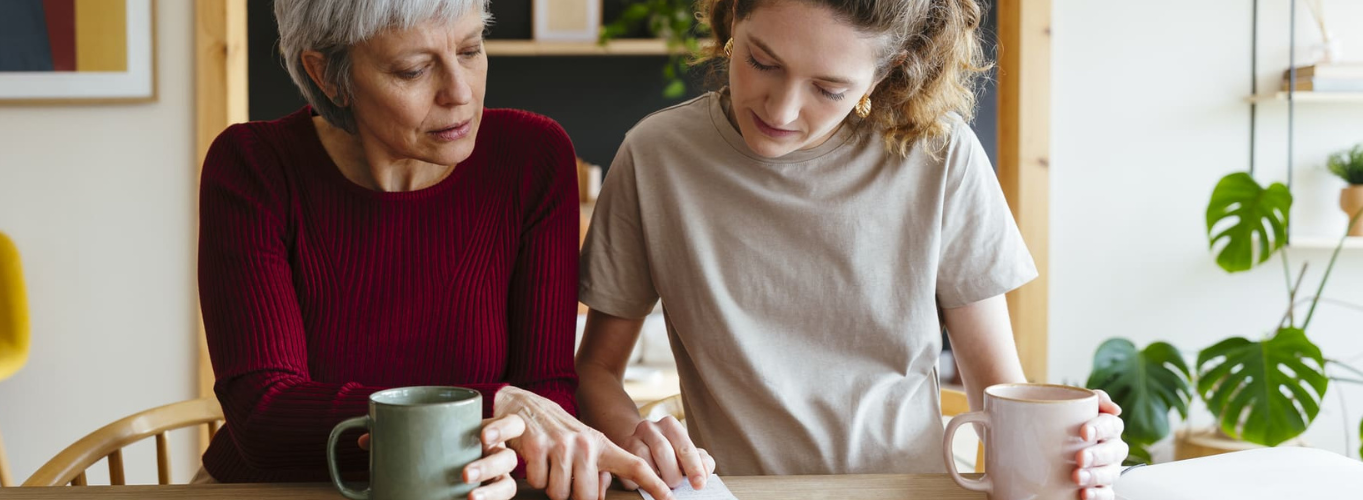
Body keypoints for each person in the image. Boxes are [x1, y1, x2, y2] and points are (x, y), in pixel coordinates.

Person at [575, 1, 1128, 499]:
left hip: (910, 491)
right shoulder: (656, 156)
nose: (783, 110)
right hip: (730, 493)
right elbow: (597, 368)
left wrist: (1078, 454)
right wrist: (638, 439)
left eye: (828, 88)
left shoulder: (940, 156)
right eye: (762, 62)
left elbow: (997, 389)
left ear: (886, 72)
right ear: (732, 19)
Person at [197, 1, 671, 499]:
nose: (460, 93)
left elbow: (547, 393)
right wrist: (497, 404)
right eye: (414, 69)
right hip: (279, 491)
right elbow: (265, 419)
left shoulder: (532, 158)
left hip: (467, 490)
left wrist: (511, 424)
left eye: (470, 49)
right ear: (327, 75)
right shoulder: (252, 168)